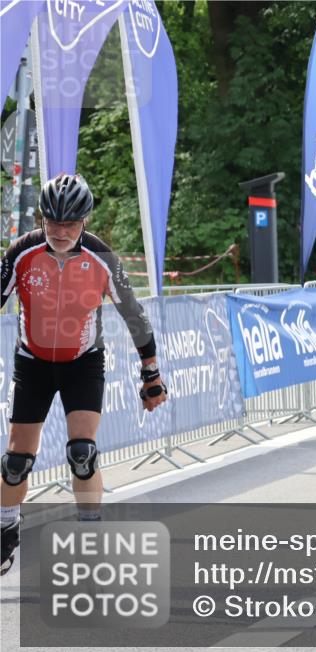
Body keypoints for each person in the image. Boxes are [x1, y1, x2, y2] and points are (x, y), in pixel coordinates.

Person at [0, 174, 168, 576]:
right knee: (15, 462)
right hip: (33, 363)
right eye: (52, 222)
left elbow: (134, 316)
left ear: (85, 222)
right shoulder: (21, 252)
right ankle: (6, 531)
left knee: (82, 454)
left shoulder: (102, 257)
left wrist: (151, 373)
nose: (60, 231)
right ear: (41, 219)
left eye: (70, 224)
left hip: (82, 364)